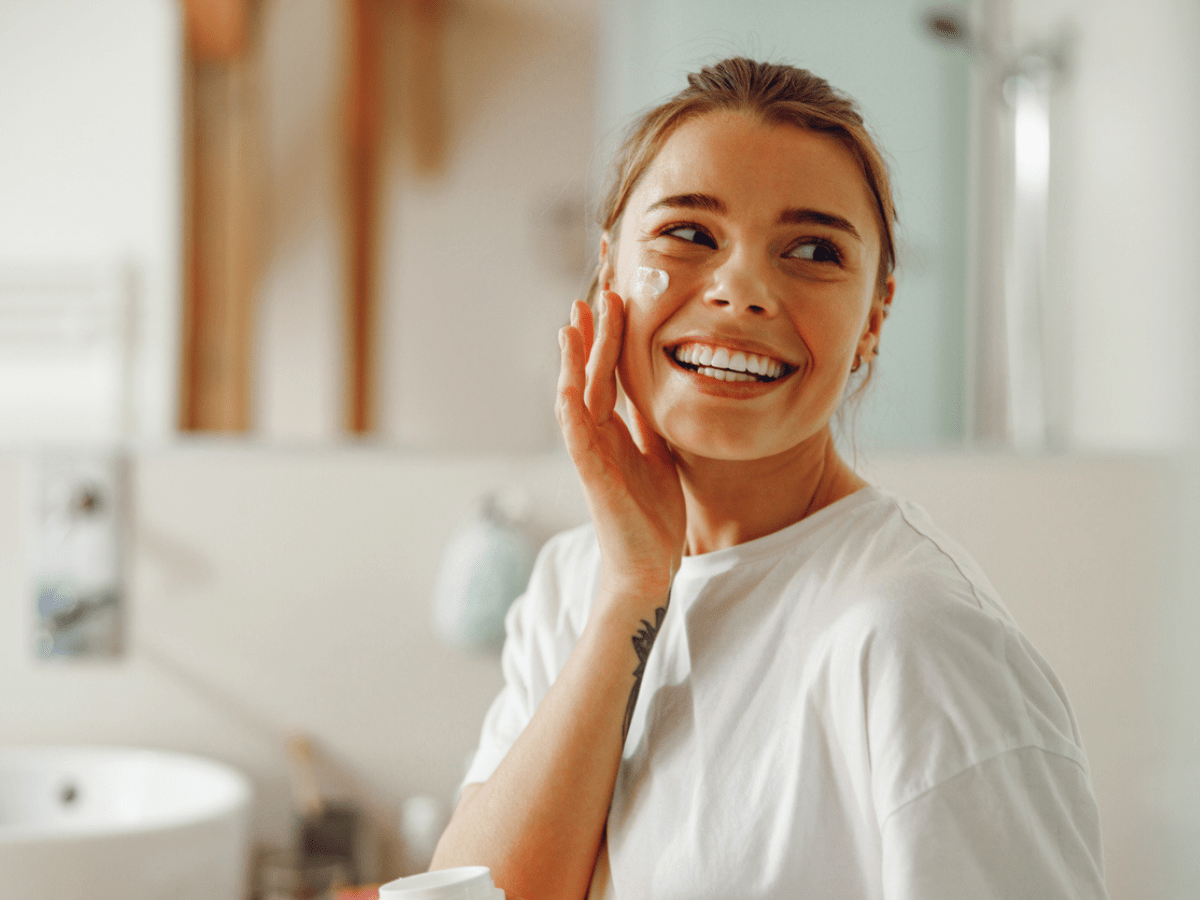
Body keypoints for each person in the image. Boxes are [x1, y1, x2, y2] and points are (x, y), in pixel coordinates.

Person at [430, 58, 1108, 900]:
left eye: (814, 250)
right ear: (609, 272)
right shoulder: (576, 583)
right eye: (688, 233)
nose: (742, 290)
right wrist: (632, 591)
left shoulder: (916, 641)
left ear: (873, 318)